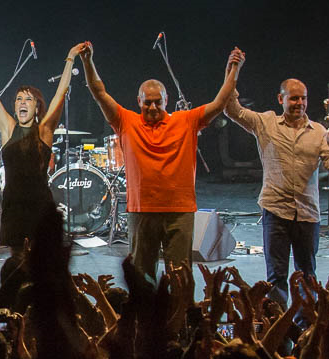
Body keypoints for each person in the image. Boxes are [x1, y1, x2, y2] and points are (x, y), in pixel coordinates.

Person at [81, 43, 244, 278]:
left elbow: (219, 103)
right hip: (142, 212)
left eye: (158, 101)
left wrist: (233, 69)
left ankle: (181, 315)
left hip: (179, 212)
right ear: (139, 101)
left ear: (166, 99)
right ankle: (145, 315)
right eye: (148, 102)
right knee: (142, 276)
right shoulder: (126, 122)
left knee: (180, 277)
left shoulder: (186, 120)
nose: (153, 107)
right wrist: (88, 62)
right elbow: (99, 92)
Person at [223, 78, 329, 305]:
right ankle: (278, 328)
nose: (299, 103)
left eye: (303, 98)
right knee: (276, 277)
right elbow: (232, 110)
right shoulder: (266, 123)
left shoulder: (319, 132)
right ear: (281, 99)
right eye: (294, 98)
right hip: (276, 211)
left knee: (308, 276)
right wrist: (233, 71)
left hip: (307, 215)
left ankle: (306, 328)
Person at [0, 41, 87, 282]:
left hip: (39, 206)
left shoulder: (45, 130)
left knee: (40, 265)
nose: (22, 103)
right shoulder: (8, 128)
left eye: (27, 99)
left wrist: (70, 58)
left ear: (37, 107)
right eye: (18, 99)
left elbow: (60, 93)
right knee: (17, 264)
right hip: (14, 205)